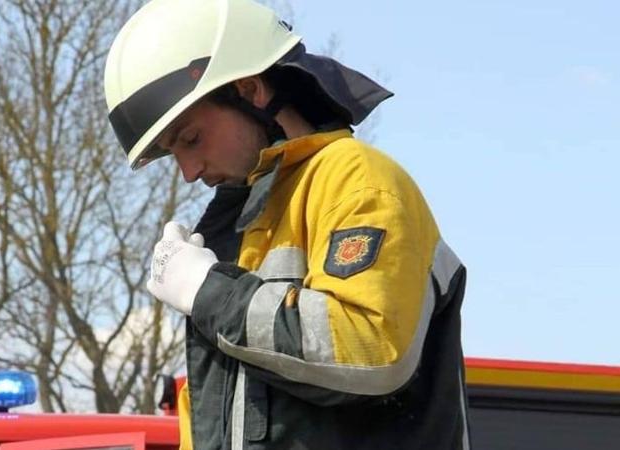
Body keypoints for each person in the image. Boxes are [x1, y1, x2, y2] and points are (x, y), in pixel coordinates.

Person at [104, 0, 470, 448]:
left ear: (249, 89)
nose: (188, 171)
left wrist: (210, 293)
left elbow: (373, 351)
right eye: (171, 151)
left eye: (191, 138)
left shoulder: (357, 181)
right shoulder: (238, 224)